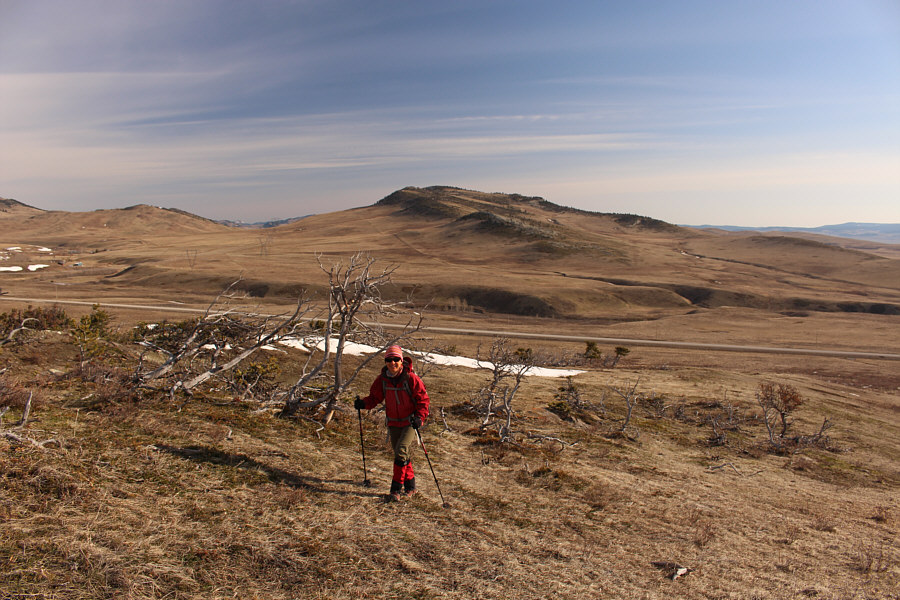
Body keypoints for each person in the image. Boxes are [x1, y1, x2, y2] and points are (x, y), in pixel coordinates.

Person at [355, 344, 430, 501]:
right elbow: (374, 398)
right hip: (394, 423)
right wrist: (363, 404)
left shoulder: (411, 378)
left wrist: (419, 418)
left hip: (410, 422)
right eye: (389, 360)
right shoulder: (382, 380)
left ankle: (395, 490)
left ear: (402, 361)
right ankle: (411, 486)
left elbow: (423, 400)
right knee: (401, 454)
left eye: (396, 359)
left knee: (401, 450)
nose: (392, 363)